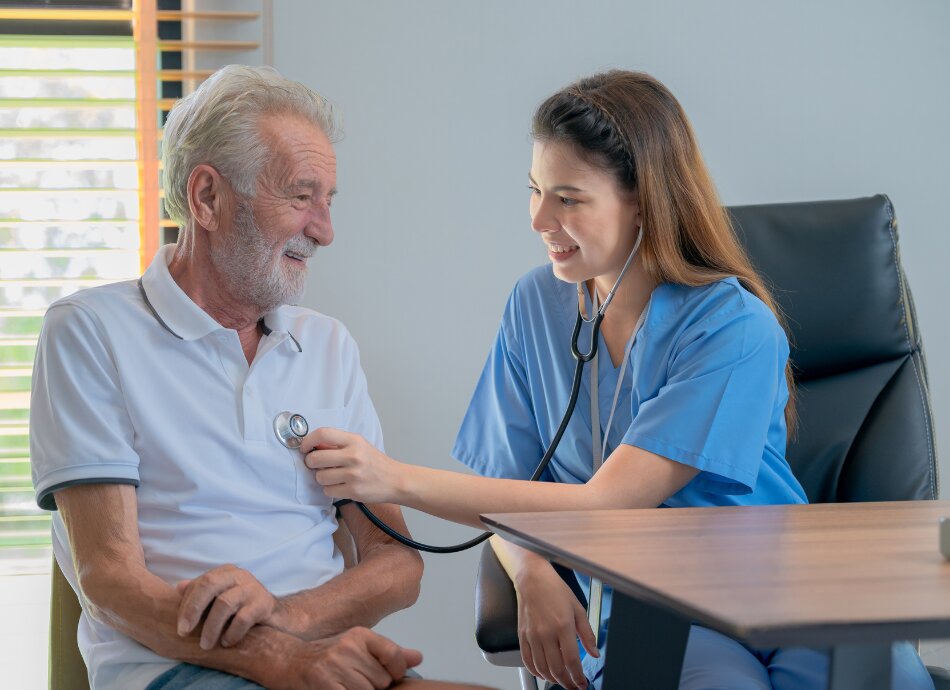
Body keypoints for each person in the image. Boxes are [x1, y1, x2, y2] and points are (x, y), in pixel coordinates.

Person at [295, 71, 935, 690]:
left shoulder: (734, 326)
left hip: (786, 589)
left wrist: (391, 477)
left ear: (644, 201)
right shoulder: (534, 306)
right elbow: (506, 486)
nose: (539, 219)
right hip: (651, 600)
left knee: (879, 680)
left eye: (569, 198)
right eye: (535, 189)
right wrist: (533, 571)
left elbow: (607, 505)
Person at [30, 65, 489, 690]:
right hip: (176, 671)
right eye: (301, 197)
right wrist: (280, 659)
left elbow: (396, 563)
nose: (324, 229)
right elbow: (111, 581)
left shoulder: (326, 344)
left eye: (328, 201)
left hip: (322, 662)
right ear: (207, 198)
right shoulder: (89, 330)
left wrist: (287, 620)